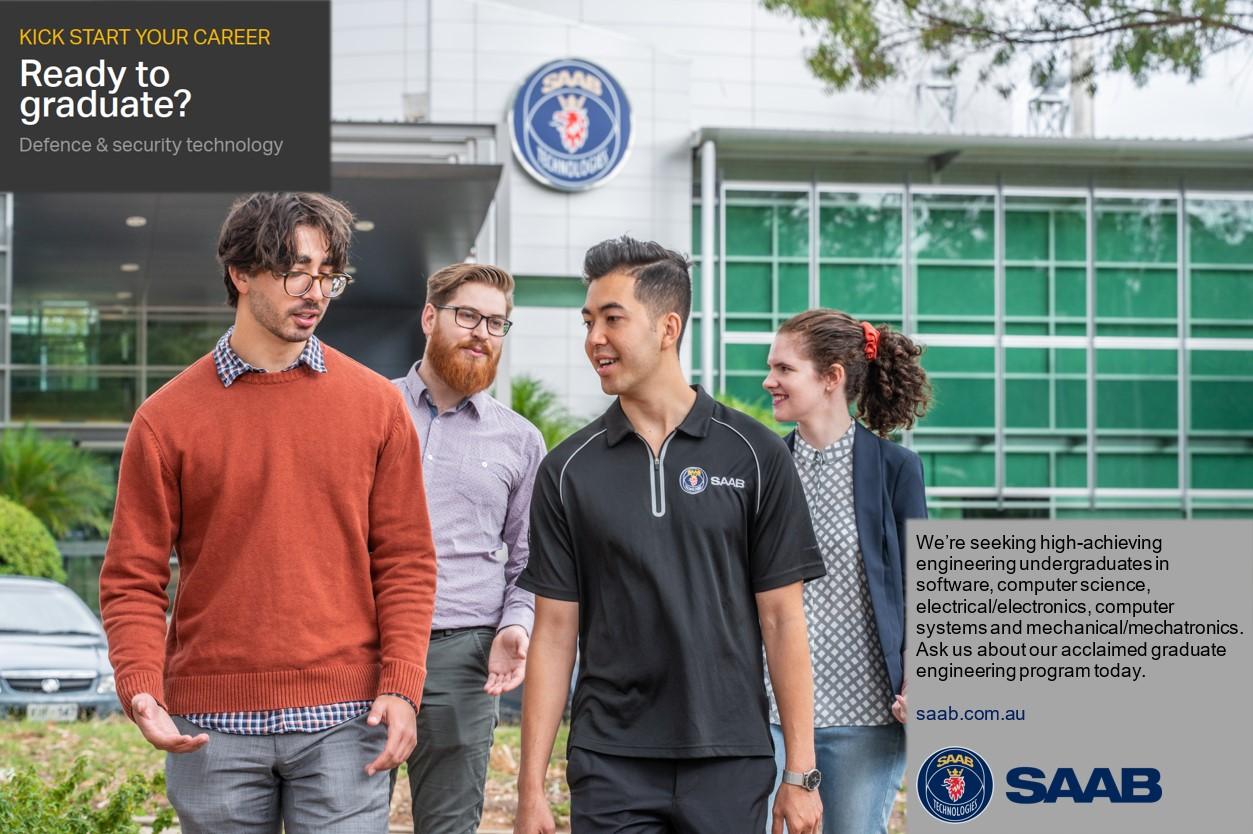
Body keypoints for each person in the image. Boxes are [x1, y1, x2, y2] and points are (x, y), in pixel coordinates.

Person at [99, 192, 437, 834]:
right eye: (294, 271)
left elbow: (406, 562)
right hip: (211, 730)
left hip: (346, 718)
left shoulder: (376, 408)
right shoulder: (166, 419)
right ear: (241, 273)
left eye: (328, 274)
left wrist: (401, 683)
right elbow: (133, 576)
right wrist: (141, 683)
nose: (314, 291)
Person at [513, 236, 828, 834]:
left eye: (612, 319)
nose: (593, 339)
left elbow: (784, 621)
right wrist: (531, 790)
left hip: (730, 757)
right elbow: (554, 635)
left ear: (667, 328)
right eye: (588, 322)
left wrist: (801, 774)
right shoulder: (567, 470)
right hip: (609, 762)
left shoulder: (756, 455)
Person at [761, 309, 931, 834]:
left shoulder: (896, 470)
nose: (769, 381)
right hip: (767, 711)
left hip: (867, 716)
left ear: (832, 377)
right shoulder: (763, 467)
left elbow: (920, 588)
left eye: (784, 369)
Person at [391, 263, 545, 833]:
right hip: (363, 649)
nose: (482, 332)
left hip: (464, 656)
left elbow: (530, 556)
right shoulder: (369, 412)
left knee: (449, 827)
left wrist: (517, 624)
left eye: (497, 323)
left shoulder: (521, 440)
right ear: (430, 317)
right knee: (342, 818)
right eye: (468, 316)